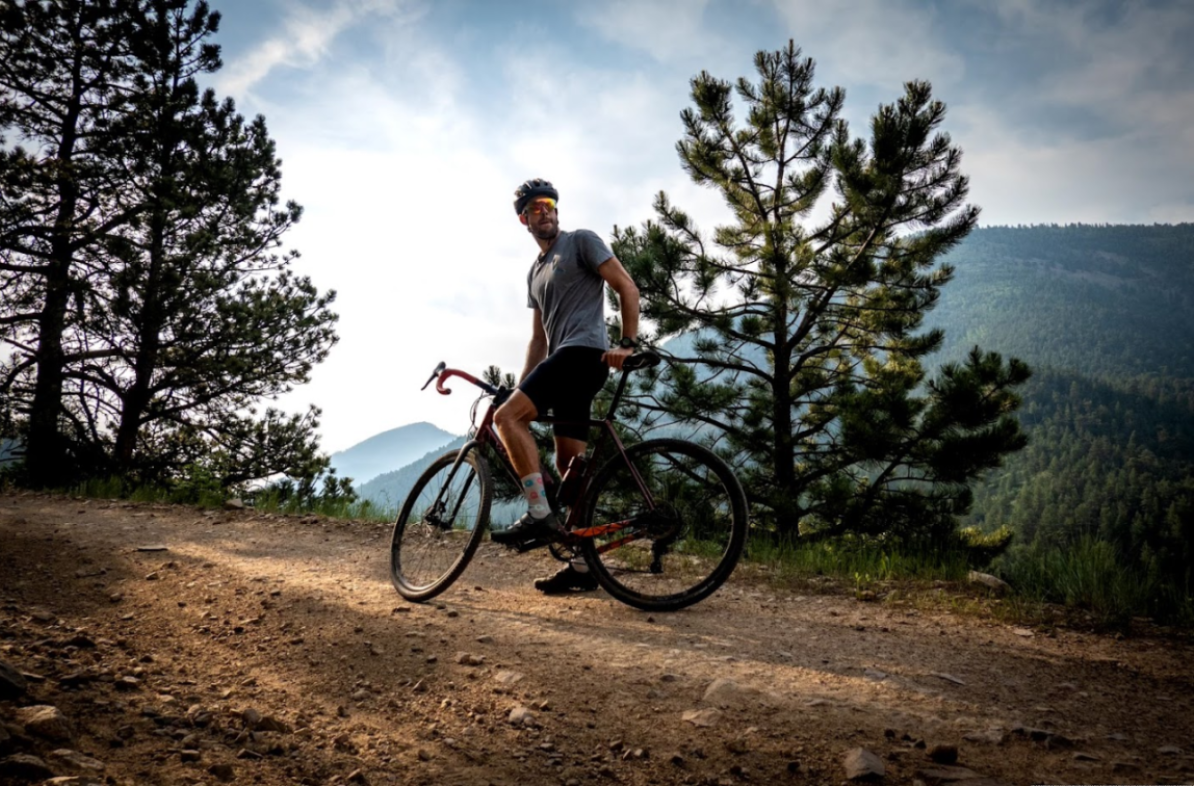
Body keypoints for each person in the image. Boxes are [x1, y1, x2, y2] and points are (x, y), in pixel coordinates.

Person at [490, 178, 641, 594]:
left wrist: (627, 344)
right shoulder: (535, 273)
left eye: (550, 204)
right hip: (563, 361)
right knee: (568, 467)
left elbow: (627, 286)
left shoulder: (581, 242)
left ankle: (538, 512)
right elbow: (538, 340)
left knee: (506, 420)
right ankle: (582, 565)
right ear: (524, 219)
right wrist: (522, 387)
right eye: (536, 207)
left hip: (581, 355)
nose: (546, 211)